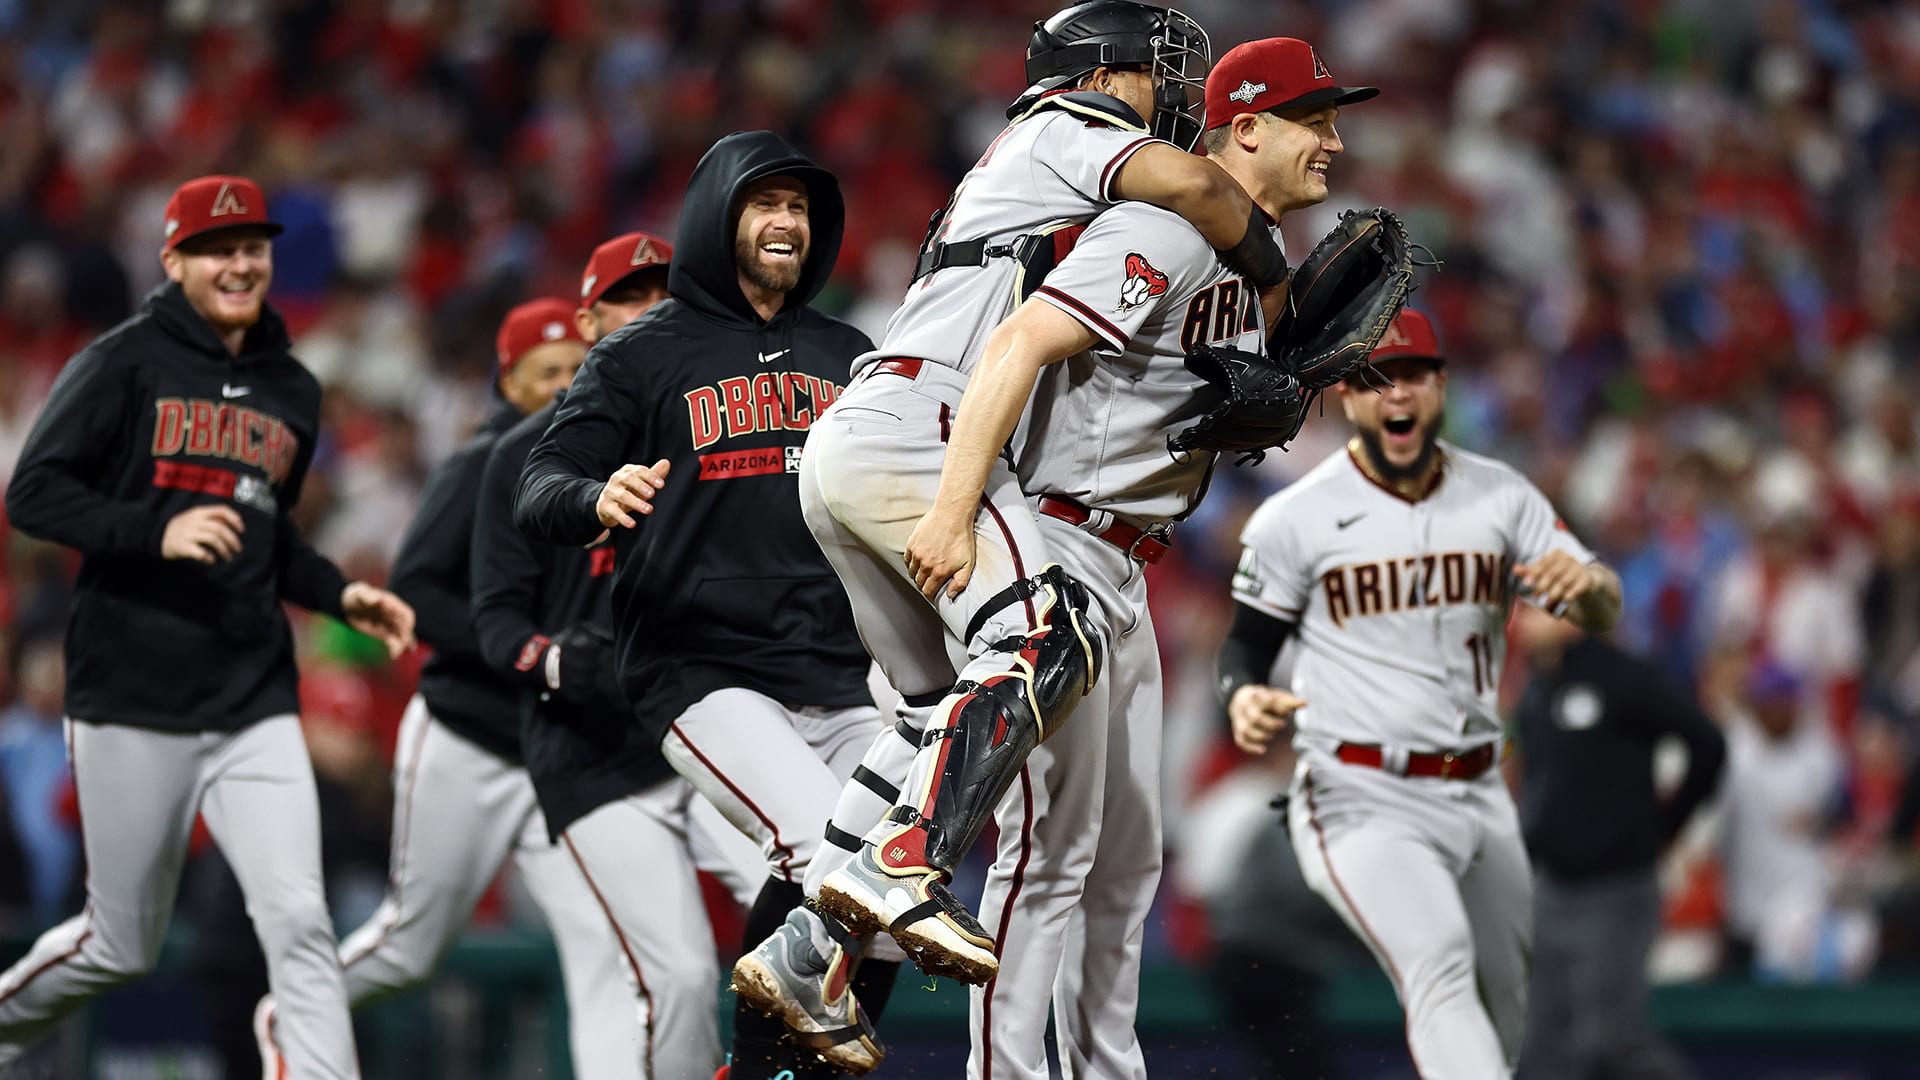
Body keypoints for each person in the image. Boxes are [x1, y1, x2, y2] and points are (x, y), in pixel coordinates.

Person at [761, 1, 1293, 1011]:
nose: (1166, 96)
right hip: (925, 429)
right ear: (1097, 76)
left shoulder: (1018, 169)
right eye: (1149, 73)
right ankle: (894, 866)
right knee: (1051, 641)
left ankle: (806, 947)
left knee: (936, 720)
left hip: (862, 434)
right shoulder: (1066, 126)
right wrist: (1273, 277)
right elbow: (1190, 182)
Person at [0, 174, 415, 1079]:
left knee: (300, 923)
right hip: (131, 688)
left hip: (252, 694)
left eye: (252, 247)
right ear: (174, 260)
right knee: (120, 943)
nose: (239, 262)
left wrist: (340, 593)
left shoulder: (292, 390)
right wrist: (157, 528)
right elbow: (32, 492)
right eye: (218, 248)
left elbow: (269, 538)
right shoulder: (123, 362)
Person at [515, 132, 895, 1080]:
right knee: (836, 856)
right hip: (699, 668)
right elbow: (539, 481)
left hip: (838, 669)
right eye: (764, 203)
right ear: (715, 216)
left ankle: (768, 1070)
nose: (786, 222)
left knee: (889, 908)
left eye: (800, 207)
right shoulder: (644, 353)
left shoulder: (846, 351)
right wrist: (594, 498)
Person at [253, 285, 660, 1078]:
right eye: (545, 373)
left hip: (558, 755)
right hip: (469, 738)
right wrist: (529, 647)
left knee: (604, 951)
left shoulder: (611, 465)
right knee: (410, 947)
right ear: (507, 384)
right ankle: (291, 1015)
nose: (563, 386)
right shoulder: (485, 467)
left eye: (576, 368)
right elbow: (416, 597)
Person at [1220, 308, 1623, 1080]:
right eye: (1375, 378)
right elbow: (1247, 645)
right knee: (1437, 965)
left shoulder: (1501, 498)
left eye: (1412, 375)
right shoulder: (1294, 518)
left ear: (1440, 387)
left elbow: (1596, 602)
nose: (1395, 393)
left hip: (1476, 790)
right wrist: (1242, 694)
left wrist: (1595, 590)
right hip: (1356, 790)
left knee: (1505, 1008)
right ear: (1344, 396)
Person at [472, 276, 765, 1080]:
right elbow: (493, 621)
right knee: (677, 973)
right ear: (591, 321)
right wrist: (555, 660)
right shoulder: (524, 453)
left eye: (657, 301)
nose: (644, 319)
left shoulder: (713, 433)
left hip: (696, 730)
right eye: (625, 304)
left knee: (810, 906)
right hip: (591, 755)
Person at [1511, 601, 1723, 1080]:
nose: (1520, 621)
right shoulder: (1536, 690)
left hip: (1615, 889)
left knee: (1610, 1041)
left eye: (1533, 609)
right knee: (1542, 1049)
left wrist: (1665, 825)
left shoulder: (1622, 677)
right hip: (1551, 889)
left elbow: (1707, 742)